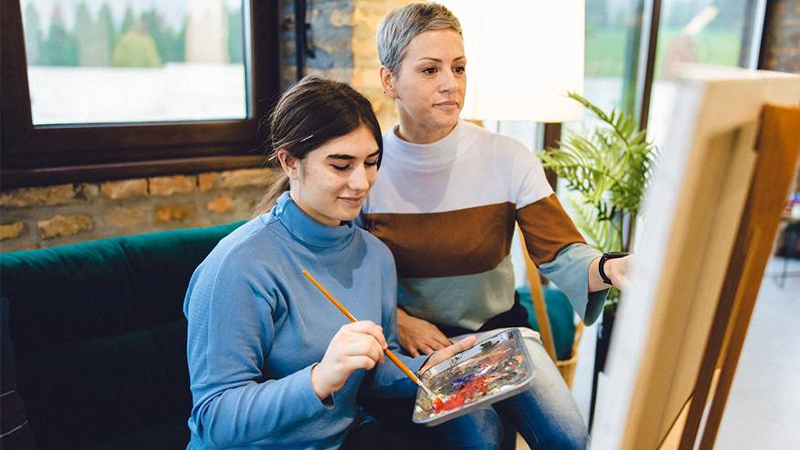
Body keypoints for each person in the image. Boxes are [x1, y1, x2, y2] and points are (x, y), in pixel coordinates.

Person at [360, 4, 633, 449]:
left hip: (502, 334)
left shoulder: (507, 157)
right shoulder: (369, 169)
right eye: (430, 70)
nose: (451, 84)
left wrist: (610, 269)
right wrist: (399, 319)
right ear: (389, 80)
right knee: (481, 437)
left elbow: (560, 250)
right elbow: (344, 273)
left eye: (459, 67)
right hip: (423, 351)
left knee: (571, 440)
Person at [183, 76, 500, 450]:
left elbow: (375, 371)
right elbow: (215, 417)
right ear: (290, 162)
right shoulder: (238, 265)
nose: (361, 182)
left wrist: (426, 370)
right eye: (341, 165)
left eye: (371, 163)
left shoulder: (374, 255)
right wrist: (319, 378)